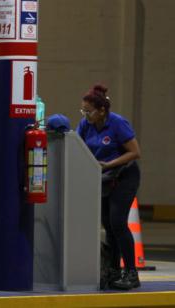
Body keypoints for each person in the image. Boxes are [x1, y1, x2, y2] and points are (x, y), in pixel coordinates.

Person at [76, 84, 141, 290]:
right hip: (103, 178)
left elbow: (134, 152)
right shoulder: (85, 125)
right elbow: (78, 146)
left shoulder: (117, 123)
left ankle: (131, 272)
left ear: (102, 110)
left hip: (124, 176)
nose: (86, 115)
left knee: (118, 222)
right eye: (83, 111)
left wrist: (108, 165)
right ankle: (113, 270)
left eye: (89, 111)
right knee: (108, 226)